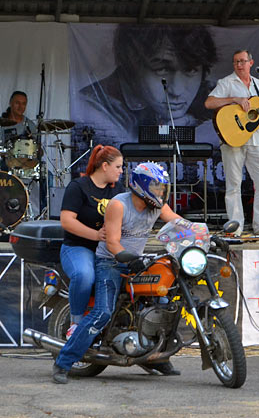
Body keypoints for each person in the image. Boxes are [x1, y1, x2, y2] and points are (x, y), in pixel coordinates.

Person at [52, 162, 182, 384]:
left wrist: (204, 234)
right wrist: (128, 259)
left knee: (162, 302)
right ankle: (63, 362)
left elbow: (178, 222)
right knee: (102, 312)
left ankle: (156, 357)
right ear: (142, 186)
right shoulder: (119, 205)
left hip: (137, 262)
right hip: (111, 263)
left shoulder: (157, 206)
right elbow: (111, 242)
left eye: (162, 188)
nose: (161, 192)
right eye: (156, 187)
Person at [78, 24, 218, 145]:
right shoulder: (92, 106)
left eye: (190, 70)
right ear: (132, 66)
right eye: (161, 69)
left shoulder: (212, 99)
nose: (177, 91)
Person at [59, 145, 124, 339]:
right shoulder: (78, 187)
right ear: (105, 166)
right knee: (84, 275)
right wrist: (95, 235)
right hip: (78, 247)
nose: (121, 171)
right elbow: (67, 221)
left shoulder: (118, 190)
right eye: (118, 167)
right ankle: (75, 324)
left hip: (108, 250)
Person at [204, 50, 259, 236]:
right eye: (235, 62)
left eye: (242, 61)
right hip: (233, 139)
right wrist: (235, 99)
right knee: (234, 185)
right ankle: (236, 228)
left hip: (256, 140)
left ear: (251, 62)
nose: (239, 65)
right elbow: (209, 103)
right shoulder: (226, 82)